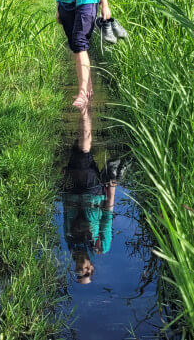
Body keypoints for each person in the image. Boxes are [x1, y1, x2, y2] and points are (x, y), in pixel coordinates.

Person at [62, 104, 116, 285]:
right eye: (86, 273)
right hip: (92, 193)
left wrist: (64, 186)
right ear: (91, 268)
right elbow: (107, 218)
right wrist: (112, 191)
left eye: (79, 274)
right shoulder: (102, 247)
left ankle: (87, 103)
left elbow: (66, 217)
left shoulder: (70, 246)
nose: (81, 271)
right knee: (83, 148)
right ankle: (84, 107)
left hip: (71, 190)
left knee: (80, 147)